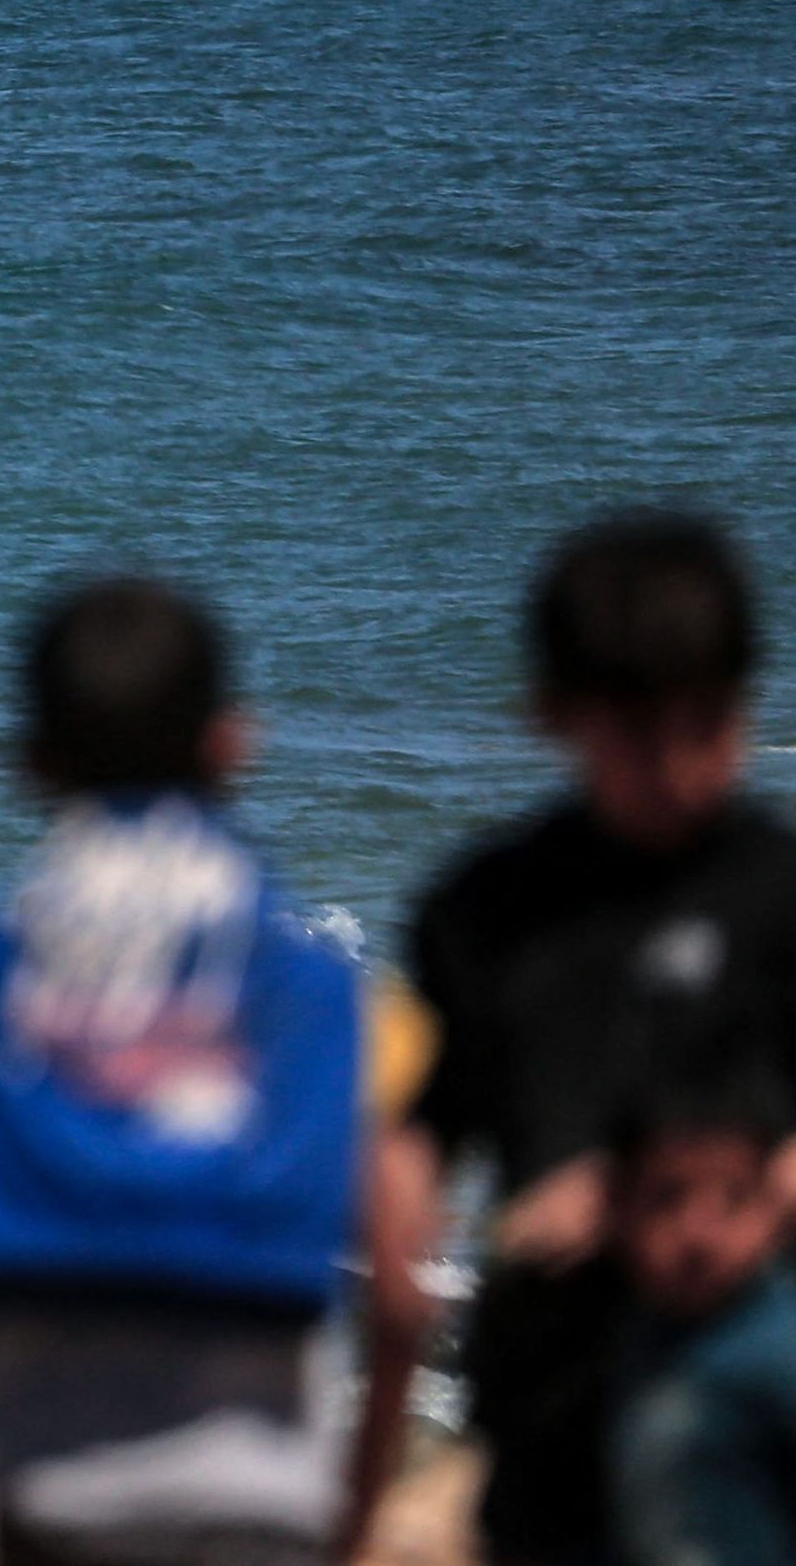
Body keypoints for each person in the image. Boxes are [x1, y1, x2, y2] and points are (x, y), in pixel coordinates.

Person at [0, 576, 436, 1566]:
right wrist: (356, 1511)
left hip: (54, 1493)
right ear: (233, 742)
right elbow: (395, 1287)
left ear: (28, 761)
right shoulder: (308, 985)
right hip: (260, 1502)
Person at [411, 513, 789, 1566]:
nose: (672, 763)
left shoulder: (780, 899)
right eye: (635, 733)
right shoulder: (484, 911)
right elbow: (423, 1150)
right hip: (555, 1389)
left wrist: (677, 1203)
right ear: (551, 716)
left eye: (703, 723)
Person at [610, 1071, 796, 1566]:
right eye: (667, 1197)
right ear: (616, 1207)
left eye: (734, 1198)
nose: (698, 1234)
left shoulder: (782, 1353)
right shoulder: (632, 1337)